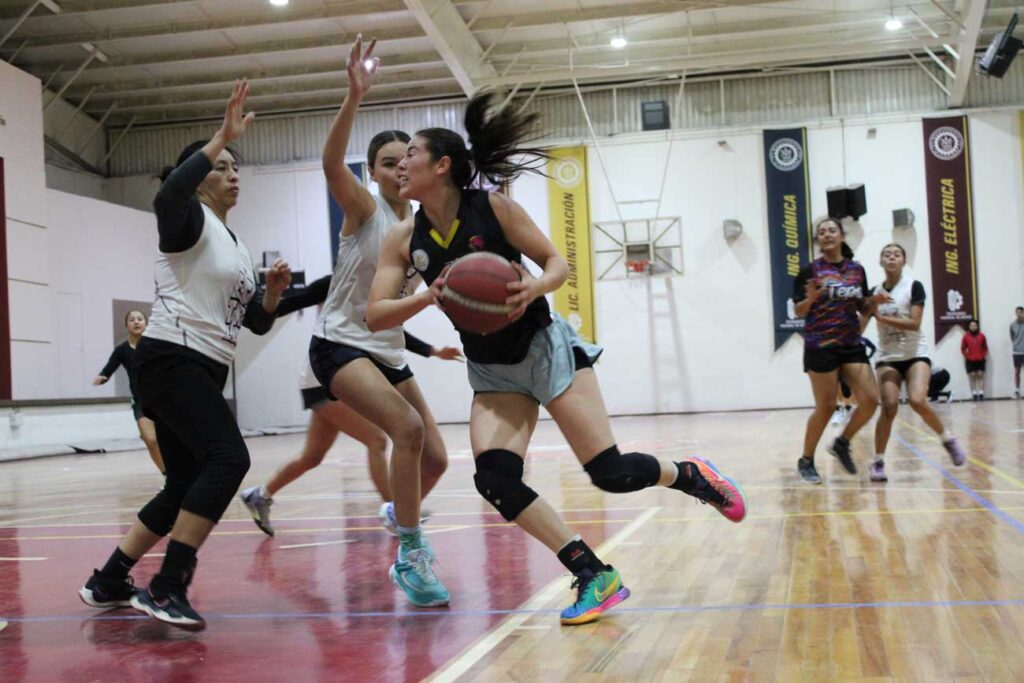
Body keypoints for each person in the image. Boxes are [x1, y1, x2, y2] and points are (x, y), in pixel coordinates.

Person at [366, 91, 747, 626]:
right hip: (492, 371)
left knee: (610, 474)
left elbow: (555, 262)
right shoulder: (404, 238)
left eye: (410, 155)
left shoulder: (493, 208)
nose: (400, 165)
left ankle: (689, 474)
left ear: (441, 165)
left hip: (545, 347)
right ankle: (595, 574)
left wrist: (532, 287)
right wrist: (429, 296)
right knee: (495, 481)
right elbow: (377, 314)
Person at [78, 80, 291, 630]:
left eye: (237, 167)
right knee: (230, 460)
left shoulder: (236, 246)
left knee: (181, 484)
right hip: (170, 358)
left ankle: (109, 578)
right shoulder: (187, 219)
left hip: (199, 364)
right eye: (222, 166)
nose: (233, 173)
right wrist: (220, 134)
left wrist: (270, 294)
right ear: (198, 179)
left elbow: (255, 323)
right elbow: (167, 194)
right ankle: (168, 584)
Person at [306, 38, 449, 607]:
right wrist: (353, 95)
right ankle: (411, 558)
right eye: (388, 163)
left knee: (435, 457)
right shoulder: (365, 210)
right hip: (340, 345)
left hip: (386, 350)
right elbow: (328, 164)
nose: (398, 170)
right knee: (407, 431)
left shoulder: (425, 226)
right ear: (376, 171)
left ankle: (398, 510)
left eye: (404, 161)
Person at [239, 275, 463, 537]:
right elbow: (290, 303)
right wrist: (264, 302)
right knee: (377, 440)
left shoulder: (379, 287)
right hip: (322, 377)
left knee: (312, 456)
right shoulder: (337, 282)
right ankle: (394, 512)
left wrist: (432, 351)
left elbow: (389, 327)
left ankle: (259, 495)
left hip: (341, 374)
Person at [792, 217, 886, 484]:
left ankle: (842, 442)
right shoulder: (809, 271)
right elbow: (798, 310)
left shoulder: (856, 270)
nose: (827, 235)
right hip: (820, 346)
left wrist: (873, 301)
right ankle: (806, 460)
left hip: (850, 344)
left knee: (870, 399)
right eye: (821, 232)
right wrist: (809, 299)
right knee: (826, 406)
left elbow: (863, 307)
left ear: (842, 236)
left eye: (832, 230)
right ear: (818, 240)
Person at [865, 243, 965, 482]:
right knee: (888, 407)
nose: (891, 258)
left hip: (915, 353)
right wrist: (865, 312)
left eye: (897, 254)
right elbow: (862, 321)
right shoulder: (874, 292)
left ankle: (947, 439)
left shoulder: (913, 286)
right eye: (887, 254)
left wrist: (880, 317)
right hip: (888, 357)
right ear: (880, 260)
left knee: (918, 399)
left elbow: (914, 323)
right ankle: (878, 462)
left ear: (903, 260)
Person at [93, 310, 165, 474]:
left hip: (162, 400)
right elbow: (109, 369)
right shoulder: (122, 350)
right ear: (127, 325)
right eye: (132, 319)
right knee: (151, 439)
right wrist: (101, 377)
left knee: (169, 441)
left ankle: (181, 475)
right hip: (141, 401)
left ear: (146, 324)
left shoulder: (155, 346)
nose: (136, 322)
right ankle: (167, 475)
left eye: (140, 319)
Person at [833, 337, 876, 426]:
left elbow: (873, 348)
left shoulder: (863, 340)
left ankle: (854, 411)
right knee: (842, 388)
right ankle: (841, 410)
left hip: (860, 367)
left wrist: (868, 357)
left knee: (858, 389)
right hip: (845, 367)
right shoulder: (843, 340)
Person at [961, 319, 988, 400]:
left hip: (980, 359)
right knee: (972, 376)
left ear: (977, 326)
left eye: (975, 325)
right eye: (971, 326)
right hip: (970, 360)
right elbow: (963, 349)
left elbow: (985, 348)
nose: (973, 327)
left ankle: (981, 393)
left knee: (980, 375)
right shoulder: (966, 336)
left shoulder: (982, 336)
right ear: (969, 327)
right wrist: (967, 356)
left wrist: (982, 356)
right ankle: (974, 393)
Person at [1011, 306, 1024, 399]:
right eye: (1017, 312)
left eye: (1020, 312)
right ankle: (1017, 391)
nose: (1018, 313)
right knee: (1017, 371)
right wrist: (1017, 345)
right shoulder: (1012, 325)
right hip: (1017, 352)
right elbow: (1012, 337)